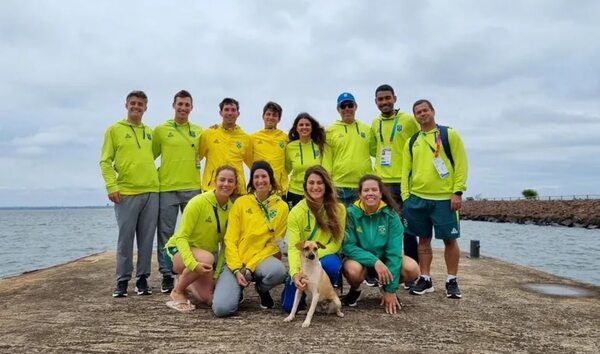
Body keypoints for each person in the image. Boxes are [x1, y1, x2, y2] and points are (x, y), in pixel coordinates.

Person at [401, 99, 468, 299]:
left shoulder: (449, 135)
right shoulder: (412, 141)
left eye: (425, 110)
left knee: (450, 239)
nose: (422, 114)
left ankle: (451, 280)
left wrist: (458, 191)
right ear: (415, 116)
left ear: (433, 111)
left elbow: (461, 164)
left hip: (444, 199)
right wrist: (406, 197)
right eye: (418, 112)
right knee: (423, 240)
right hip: (418, 198)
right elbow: (406, 171)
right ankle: (425, 278)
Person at [99, 90, 159, 297]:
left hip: (152, 191)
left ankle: (142, 280)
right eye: (132, 103)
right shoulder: (114, 130)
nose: (136, 107)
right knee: (125, 239)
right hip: (125, 192)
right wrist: (111, 186)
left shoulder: (151, 132)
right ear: (126, 105)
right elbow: (105, 161)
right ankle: (122, 281)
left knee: (146, 239)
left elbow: (158, 154)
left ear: (145, 107)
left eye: (140, 104)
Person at [212, 161, 289, 316]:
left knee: (279, 271)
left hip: (261, 259)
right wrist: (236, 269)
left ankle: (261, 288)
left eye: (264, 176)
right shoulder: (241, 202)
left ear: (271, 179)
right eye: (256, 177)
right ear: (252, 181)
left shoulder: (281, 207)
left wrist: (250, 267)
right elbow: (230, 239)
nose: (260, 180)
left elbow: (274, 244)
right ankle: (237, 288)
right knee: (222, 309)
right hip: (237, 260)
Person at [342, 175, 420, 314]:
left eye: (374, 190)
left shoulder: (391, 215)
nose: (370, 193)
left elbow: (394, 252)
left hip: (384, 261)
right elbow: (349, 246)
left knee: (412, 268)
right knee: (352, 270)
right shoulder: (351, 213)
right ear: (360, 194)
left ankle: (385, 287)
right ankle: (355, 290)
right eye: (366, 190)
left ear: (381, 192)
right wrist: (374, 261)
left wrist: (391, 290)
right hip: (361, 261)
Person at [163, 165, 238, 311]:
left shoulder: (231, 209)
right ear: (215, 181)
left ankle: (187, 283)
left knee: (209, 299)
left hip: (203, 257)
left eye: (230, 181)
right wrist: (192, 264)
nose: (226, 184)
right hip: (176, 252)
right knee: (207, 258)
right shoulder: (198, 202)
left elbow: (225, 244)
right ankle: (177, 291)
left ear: (235, 185)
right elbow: (181, 237)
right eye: (222, 180)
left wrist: (216, 274)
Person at [153, 89, 203, 294]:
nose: (183, 108)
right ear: (173, 105)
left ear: (191, 107)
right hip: (167, 188)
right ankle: (167, 274)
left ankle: (193, 271)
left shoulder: (199, 131)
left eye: (187, 105)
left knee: (194, 234)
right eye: (180, 104)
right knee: (166, 233)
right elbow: (149, 157)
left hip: (192, 188)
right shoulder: (161, 130)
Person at [369, 84, 421, 273]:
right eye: (380, 99)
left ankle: (411, 270)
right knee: (381, 227)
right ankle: (380, 269)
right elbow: (374, 149)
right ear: (376, 102)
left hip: (405, 181)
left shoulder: (408, 120)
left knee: (407, 228)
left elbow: (419, 144)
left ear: (395, 99)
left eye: (387, 98)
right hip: (382, 182)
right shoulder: (375, 123)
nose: (384, 102)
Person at [282, 165, 346, 313]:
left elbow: (336, 243)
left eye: (320, 183)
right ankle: (300, 288)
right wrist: (295, 273)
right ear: (305, 186)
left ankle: (326, 292)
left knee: (331, 265)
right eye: (311, 183)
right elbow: (293, 247)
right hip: (302, 261)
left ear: (326, 185)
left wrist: (314, 257)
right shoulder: (296, 212)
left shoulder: (339, 210)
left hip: (324, 256)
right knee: (288, 307)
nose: (315, 187)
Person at [324, 92, 372, 206]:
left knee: (361, 222)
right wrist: (328, 184)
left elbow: (376, 152)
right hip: (339, 186)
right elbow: (326, 159)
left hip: (362, 185)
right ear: (338, 109)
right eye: (343, 106)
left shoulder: (367, 129)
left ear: (355, 106)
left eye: (350, 105)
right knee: (340, 221)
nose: (347, 109)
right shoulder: (330, 131)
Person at [198, 98, 253, 195]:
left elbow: (252, 164)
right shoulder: (208, 134)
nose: (230, 113)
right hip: (212, 189)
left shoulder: (245, 138)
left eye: (233, 110)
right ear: (220, 112)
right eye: (226, 109)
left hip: (237, 191)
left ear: (238, 113)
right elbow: (197, 157)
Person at [285, 113, 327, 209]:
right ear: (296, 128)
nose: (304, 127)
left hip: (315, 192)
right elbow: (286, 170)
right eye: (301, 125)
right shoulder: (290, 147)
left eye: (307, 125)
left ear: (312, 127)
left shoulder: (320, 146)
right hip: (295, 192)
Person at [250, 101, 289, 196]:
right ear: (263, 116)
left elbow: (289, 162)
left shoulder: (285, 138)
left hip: (279, 190)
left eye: (274, 115)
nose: (271, 117)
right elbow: (248, 159)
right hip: (259, 188)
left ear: (279, 119)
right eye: (268, 114)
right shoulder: (253, 138)